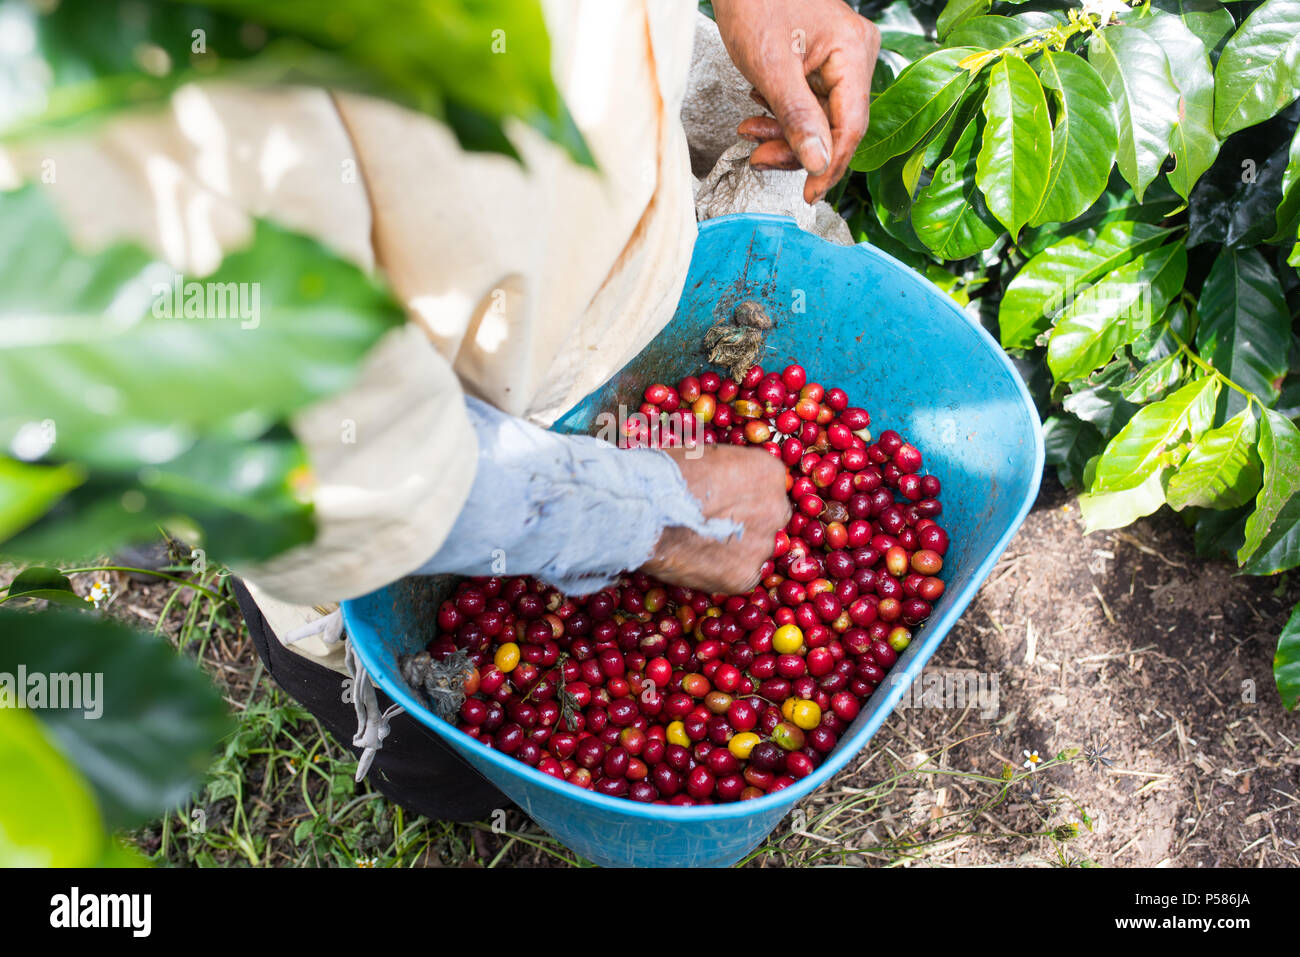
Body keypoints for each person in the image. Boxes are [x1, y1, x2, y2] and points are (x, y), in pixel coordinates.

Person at [8, 0, 880, 820]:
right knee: (466, 747)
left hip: (579, 278)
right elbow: (295, 440)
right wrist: (652, 515)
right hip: (417, 499)